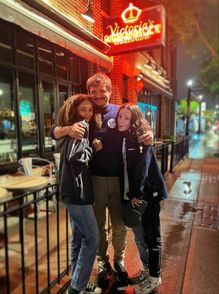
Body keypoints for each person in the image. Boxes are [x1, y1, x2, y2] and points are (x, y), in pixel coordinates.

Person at [51, 73, 154, 291]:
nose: (98, 96)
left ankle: (118, 261)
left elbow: (140, 126)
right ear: (89, 93)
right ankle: (102, 262)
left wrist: (150, 134)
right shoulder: (86, 113)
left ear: (110, 90)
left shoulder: (119, 112)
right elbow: (55, 131)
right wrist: (66, 129)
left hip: (119, 180)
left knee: (119, 225)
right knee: (96, 226)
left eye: (102, 91)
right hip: (94, 180)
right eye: (93, 91)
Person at [116, 104, 168, 294]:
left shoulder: (140, 138)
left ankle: (154, 278)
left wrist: (136, 193)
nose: (122, 121)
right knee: (139, 238)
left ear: (134, 121)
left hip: (147, 195)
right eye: (120, 116)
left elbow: (143, 168)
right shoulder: (122, 137)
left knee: (152, 237)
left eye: (127, 118)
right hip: (133, 197)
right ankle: (148, 271)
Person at [57, 94, 101, 294]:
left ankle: (78, 281)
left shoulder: (69, 128)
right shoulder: (80, 127)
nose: (87, 114)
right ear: (74, 110)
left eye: (90, 110)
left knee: (78, 238)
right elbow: (75, 156)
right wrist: (92, 148)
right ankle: (77, 287)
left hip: (71, 190)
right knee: (92, 238)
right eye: (83, 109)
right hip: (77, 192)